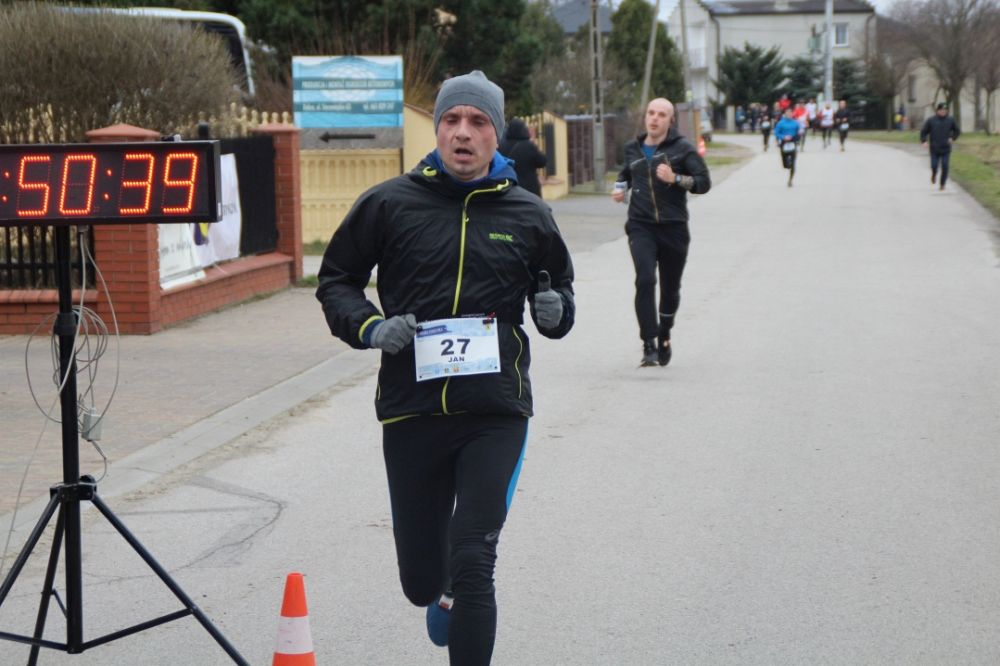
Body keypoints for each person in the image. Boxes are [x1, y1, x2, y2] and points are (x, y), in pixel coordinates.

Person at [315, 70, 575, 665]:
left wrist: (557, 311)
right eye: (452, 120)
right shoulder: (389, 203)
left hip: (495, 411)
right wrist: (371, 327)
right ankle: (443, 588)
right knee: (420, 580)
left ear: (496, 135)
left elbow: (558, 288)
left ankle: (463, 581)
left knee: (475, 555)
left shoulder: (529, 213)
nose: (463, 132)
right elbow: (337, 280)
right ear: (437, 130)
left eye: (478, 122)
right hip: (412, 410)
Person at [611, 97, 711, 367]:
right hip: (640, 225)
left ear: (670, 120)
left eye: (661, 115)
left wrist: (675, 178)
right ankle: (649, 343)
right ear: (645, 117)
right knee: (645, 279)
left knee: (670, 288)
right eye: (651, 113)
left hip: (674, 227)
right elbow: (626, 175)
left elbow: (704, 182)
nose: (654, 118)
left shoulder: (683, 149)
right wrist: (619, 189)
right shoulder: (632, 148)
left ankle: (665, 331)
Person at [499, 117, 548, 197]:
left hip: (509, 188)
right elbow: (542, 162)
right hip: (530, 189)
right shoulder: (529, 145)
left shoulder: (502, 146)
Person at [920, 102, 961, 191]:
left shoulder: (950, 120)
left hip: (946, 148)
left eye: (945, 110)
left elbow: (957, 131)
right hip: (934, 148)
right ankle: (934, 174)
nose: (943, 112)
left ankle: (942, 184)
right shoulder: (931, 120)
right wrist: (924, 141)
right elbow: (924, 131)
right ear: (937, 110)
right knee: (934, 166)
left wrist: (953, 138)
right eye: (941, 110)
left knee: (945, 166)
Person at [774, 106, 801, 187]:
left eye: (790, 113)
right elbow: (776, 133)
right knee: (785, 165)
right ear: (785, 114)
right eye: (787, 113)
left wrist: (796, 136)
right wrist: (783, 137)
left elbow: (799, 132)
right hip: (784, 143)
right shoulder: (780, 123)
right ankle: (787, 164)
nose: (789, 114)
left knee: (793, 164)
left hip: (793, 142)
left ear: (792, 114)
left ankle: (790, 180)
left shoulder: (796, 123)